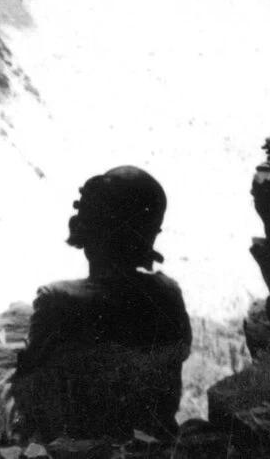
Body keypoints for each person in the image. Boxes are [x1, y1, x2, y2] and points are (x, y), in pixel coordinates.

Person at [13, 166, 193, 441]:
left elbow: (29, 396)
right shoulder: (168, 293)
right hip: (154, 445)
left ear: (87, 227)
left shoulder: (56, 300)